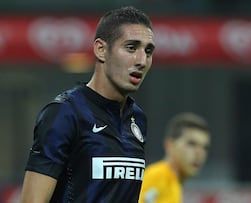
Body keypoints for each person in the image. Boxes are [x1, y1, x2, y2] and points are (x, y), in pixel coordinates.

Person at [20, 6, 156, 203]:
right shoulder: (65, 113)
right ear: (101, 49)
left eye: (148, 51)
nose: (142, 60)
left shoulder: (138, 119)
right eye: (131, 48)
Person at [139, 112, 211, 203]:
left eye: (204, 147)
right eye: (191, 144)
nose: (199, 153)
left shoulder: (174, 184)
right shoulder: (158, 176)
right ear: (170, 145)